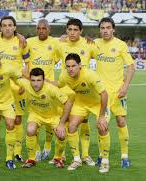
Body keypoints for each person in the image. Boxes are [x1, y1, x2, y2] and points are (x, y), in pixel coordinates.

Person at [54, 18, 99, 166]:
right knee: (65, 121)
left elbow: (103, 55)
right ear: (66, 30)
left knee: (84, 122)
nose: (72, 33)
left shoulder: (88, 43)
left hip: (83, 91)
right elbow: (49, 57)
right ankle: (63, 155)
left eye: (75, 30)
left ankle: (85, 156)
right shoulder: (59, 44)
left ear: (81, 31)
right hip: (66, 90)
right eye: (70, 30)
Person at [59, 53, 110, 173]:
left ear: (80, 65)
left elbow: (104, 94)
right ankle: (77, 159)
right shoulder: (64, 75)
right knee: (71, 127)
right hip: (80, 103)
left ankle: (105, 161)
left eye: (73, 66)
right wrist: (46, 82)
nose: (70, 69)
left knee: (102, 127)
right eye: (68, 66)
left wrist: (101, 116)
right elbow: (59, 85)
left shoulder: (89, 75)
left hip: (98, 103)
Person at [94, 17, 135, 168]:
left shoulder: (120, 45)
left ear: (113, 29)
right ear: (100, 30)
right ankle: (101, 155)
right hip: (102, 93)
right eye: (102, 28)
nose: (105, 30)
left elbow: (131, 66)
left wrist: (126, 86)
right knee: (102, 125)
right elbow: (77, 44)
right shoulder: (95, 44)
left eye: (108, 27)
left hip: (118, 92)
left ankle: (125, 156)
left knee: (121, 121)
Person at [24, 18, 63, 161]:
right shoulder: (29, 42)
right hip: (32, 86)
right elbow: (24, 58)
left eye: (44, 28)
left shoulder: (55, 42)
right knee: (35, 118)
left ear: (49, 29)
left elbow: (62, 54)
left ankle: (47, 146)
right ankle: (37, 150)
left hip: (49, 87)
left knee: (49, 118)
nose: (41, 31)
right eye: (39, 28)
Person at [0, 16, 28, 163]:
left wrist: (23, 83)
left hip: (17, 87)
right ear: (0, 28)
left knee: (17, 120)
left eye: (10, 25)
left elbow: (27, 64)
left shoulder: (21, 42)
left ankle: (17, 153)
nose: (7, 28)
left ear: (14, 27)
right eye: (4, 25)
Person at [19, 68, 72, 168]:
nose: (35, 84)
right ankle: (31, 159)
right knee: (30, 130)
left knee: (62, 135)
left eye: (39, 80)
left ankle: (58, 158)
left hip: (53, 116)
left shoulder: (51, 89)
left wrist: (61, 124)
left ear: (44, 80)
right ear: (29, 80)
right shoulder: (25, 84)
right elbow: (14, 75)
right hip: (36, 115)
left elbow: (68, 103)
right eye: (33, 80)